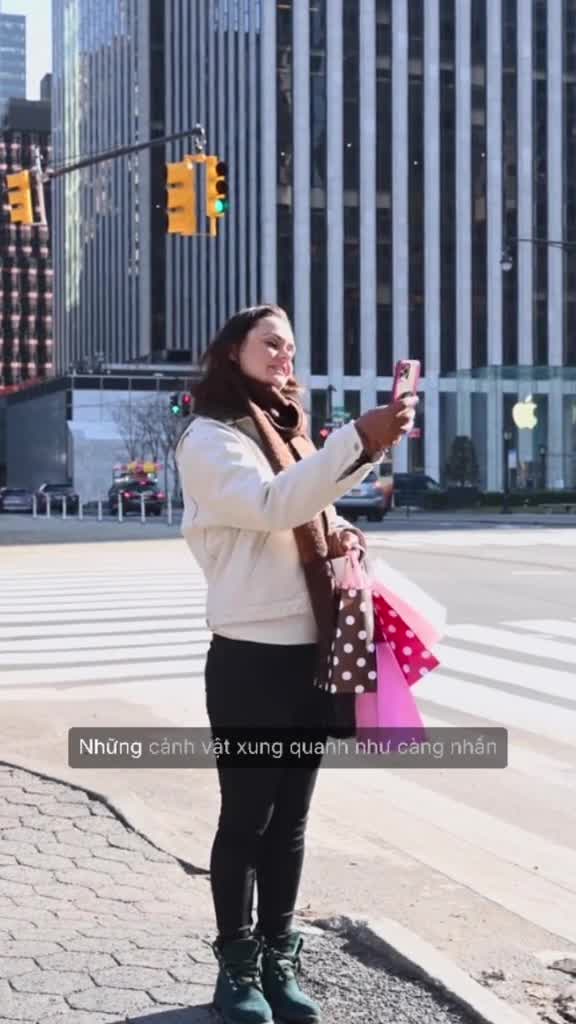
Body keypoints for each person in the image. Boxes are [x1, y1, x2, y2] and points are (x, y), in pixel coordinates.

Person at [175, 304, 417, 1024]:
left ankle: (280, 957)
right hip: (251, 658)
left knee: (290, 823)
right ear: (233, 353)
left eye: (290, 347)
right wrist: (359, 439)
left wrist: (343, 536)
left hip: (313, 651)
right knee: (246, 820)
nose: (285, 356)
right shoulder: (210, 437)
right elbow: (273, 506)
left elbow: (312, 509)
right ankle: (237, 969)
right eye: (270, 344)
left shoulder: (290, 432)